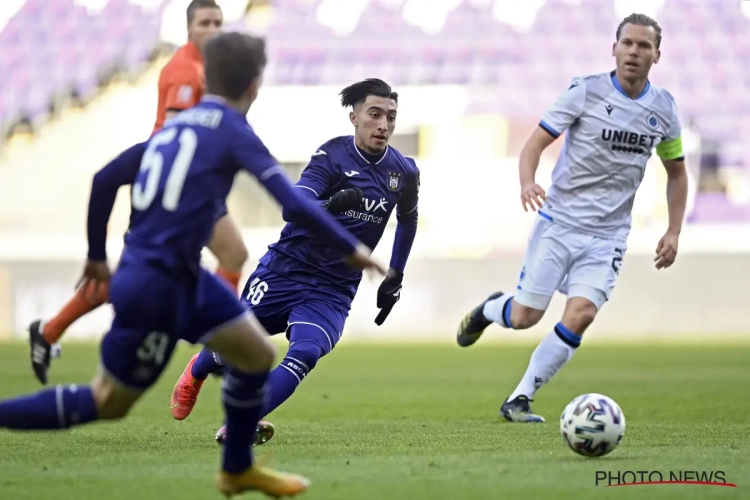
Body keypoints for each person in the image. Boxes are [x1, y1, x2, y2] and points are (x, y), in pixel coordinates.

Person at [1, 32, 386, 497]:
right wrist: (353, 248)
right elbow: (292, 202)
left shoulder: (179, 126)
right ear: (254, 86)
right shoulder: (232, 130)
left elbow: (106, 179)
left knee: (256, 353)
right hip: (158, 282)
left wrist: (97, 257)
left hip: (175, 273)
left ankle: (237, 468)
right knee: (109, 401)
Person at [456, 13, 688, 423]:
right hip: (558, 224)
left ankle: (520, 398)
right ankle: (491, 310)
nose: (634, 51)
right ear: (613, 48)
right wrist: (527, 182)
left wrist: (673, 229)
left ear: (657, 55)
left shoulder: (664, 109)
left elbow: (677, 172)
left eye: (643, 46)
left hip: (608, 236)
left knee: (581, 315)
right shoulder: (586, 91)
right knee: (525, 317)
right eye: (627, 43)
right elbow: (535, 143)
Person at [168, 78, 420, 445]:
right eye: (375, 114)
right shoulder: (331, 156)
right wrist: (332, 205)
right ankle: (199, 368)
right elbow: (291, 206)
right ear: (354, 117)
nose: (383, 125)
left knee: (305, 351)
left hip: (333, 289)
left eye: (391, 117)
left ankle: (242, 422)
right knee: (237, 345)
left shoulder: (404, 172)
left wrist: (395, 275)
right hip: (286, 269)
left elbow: (408, 219)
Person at [28, 0, 249, 386]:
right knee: (223, 255)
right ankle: (218, 348)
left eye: (218, 22)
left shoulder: (207, 70)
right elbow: (179, 135)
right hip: (171, 187)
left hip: (183, 184)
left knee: (143, 275)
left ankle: (47, 333)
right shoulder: (185, 69)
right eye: (204, 23)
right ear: (189, 29)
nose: (213, 29)